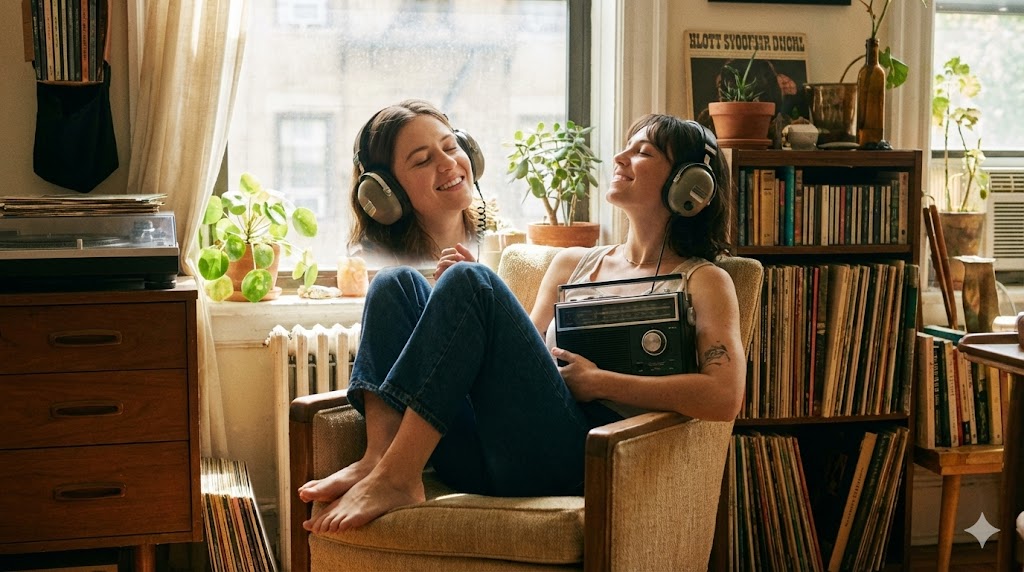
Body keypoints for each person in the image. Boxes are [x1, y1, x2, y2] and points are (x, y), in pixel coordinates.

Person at [299, 113, 745, 533]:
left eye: (643, 152)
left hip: (576, 457)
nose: (620, 158)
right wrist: (471, 298)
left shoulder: (704, 281)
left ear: (690, 184)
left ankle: (399, 477)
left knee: (473, 281)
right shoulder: (572, 263)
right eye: (626, 148)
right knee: (396, 283)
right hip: (489, 450)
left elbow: (724, 397)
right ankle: (381, 457)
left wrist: (599, 382)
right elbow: (519, 357)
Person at [348, 99, 487, 268]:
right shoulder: (370, 265)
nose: (449, 163)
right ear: (386, 190)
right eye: (423, 160)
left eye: (450, 147)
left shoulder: (502, 239)